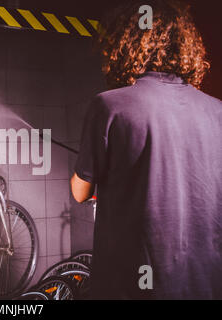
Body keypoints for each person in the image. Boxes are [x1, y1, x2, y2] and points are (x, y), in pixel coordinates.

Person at [70, 0, 222, 299]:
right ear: (185, 46)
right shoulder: (217, 111)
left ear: (127, 44)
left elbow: (80, 192)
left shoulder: (110, 105)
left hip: (134, 285)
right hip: (204, 282)